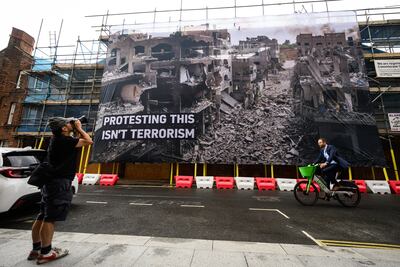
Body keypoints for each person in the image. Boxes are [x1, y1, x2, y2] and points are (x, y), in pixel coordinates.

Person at [27, 117, 93, 265]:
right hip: (59, 183)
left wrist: (74, 128)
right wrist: (80, 128)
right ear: (63, 128)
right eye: (68, 124)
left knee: (43, 214)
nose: (71, 124)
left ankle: (36, 249)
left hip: (50, 182)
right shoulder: (64, 141)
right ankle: (46, 253)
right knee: (50, 217)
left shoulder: (56, 140)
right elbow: (89, 141)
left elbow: (76, 143)